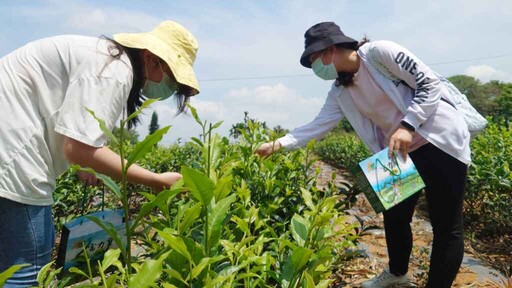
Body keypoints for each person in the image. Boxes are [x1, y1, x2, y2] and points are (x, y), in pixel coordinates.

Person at [256, 22, 470, 288]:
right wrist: (277, 144)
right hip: (396, 150)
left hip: (438, 139)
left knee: (446, 224)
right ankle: (397, 274)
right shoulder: (340, 90)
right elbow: (318, 125)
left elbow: (430, 83)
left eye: (314, 59)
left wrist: (408, 124)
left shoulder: (380, 52)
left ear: (330, 49)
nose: (314, 68)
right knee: (393, 215)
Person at [0, 20, 199, 287]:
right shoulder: (114, 70)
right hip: (12, 154)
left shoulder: (105, 59)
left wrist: (87, 163)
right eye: (173, 80)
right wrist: (157, 180)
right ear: (152, 59)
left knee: (37, 250)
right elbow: (80, 149)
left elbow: (79, 139)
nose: (172, 89)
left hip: (15, 148)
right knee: (25, 272)